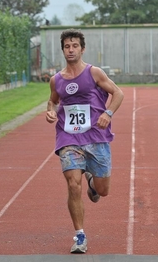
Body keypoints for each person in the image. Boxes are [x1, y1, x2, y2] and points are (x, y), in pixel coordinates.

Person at [45, 28, 124, 253]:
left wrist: (107, 114)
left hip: (96, 136)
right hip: (68, 136)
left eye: (75, 46)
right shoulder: (56, 80)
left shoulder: (94, 73)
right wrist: (50, 112)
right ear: (63, 50)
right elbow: (52, 102)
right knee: (72, 184)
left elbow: (118, 93)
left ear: (82, 48)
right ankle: (80, 236)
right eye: (67, 46)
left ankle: (93, 183)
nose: (71, 50)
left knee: (103, 190)